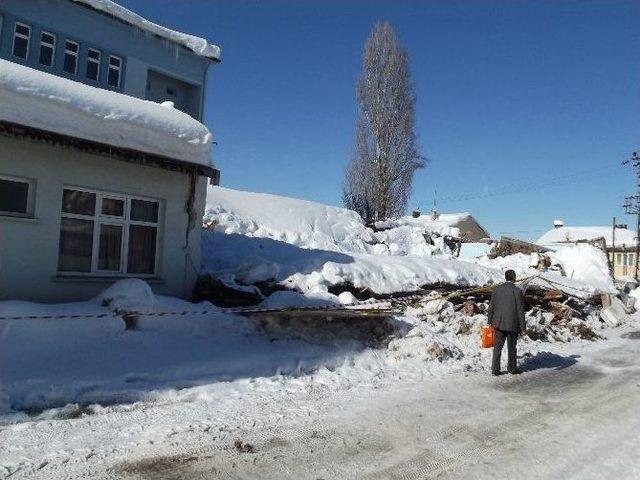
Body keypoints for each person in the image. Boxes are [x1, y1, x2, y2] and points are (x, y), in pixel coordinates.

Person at [487, 269, 526, 376]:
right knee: (512, 347)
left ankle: (495, 370)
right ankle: (512, 368)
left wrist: (490, 321)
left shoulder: (497, 289)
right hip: (512, 324)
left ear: (505, 277)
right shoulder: (517, 291)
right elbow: (520, 310)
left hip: (498, 323)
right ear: (514, 277)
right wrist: (523, 328)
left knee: (497, 348)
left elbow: (491, 307)